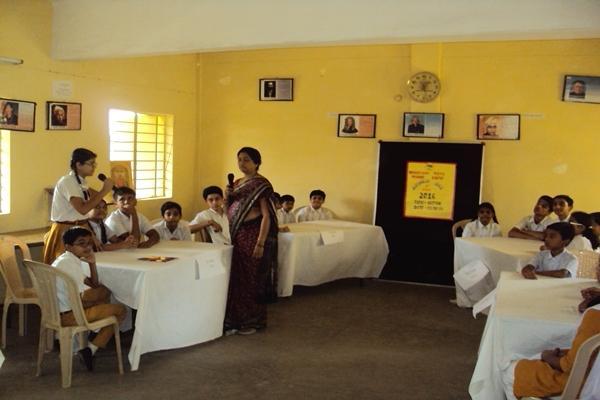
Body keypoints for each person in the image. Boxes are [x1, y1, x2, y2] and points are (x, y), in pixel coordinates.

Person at [52, 227, 126, 371]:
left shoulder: (67, 259)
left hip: (61, 311)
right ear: (68, 246)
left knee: (104, 291)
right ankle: (91, 348)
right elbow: (83, 298)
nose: (87, 247)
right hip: (70, 315)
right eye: (81, 243)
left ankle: (93, 336)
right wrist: (98, 301)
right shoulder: (69, 264)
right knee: (120, 311)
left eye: (89, 243)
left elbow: (93, 284)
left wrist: (92, 263)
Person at [224, 147, 278, 335]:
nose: (242, 163)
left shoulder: (262, 185)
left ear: (257, 162)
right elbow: (228, 209)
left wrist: (260, 243)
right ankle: (235, 319)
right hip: (238, 234)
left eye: (246, 160)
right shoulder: (237, 183)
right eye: (239, 159)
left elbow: (267, 216)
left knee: (251, 278)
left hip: (254, 234)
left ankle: (252, 321)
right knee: (237, 278)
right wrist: (227, 195)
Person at [502, 304, 600, 400]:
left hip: (581, 384)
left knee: (509, 371)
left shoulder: (595, 315)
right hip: (590, 378)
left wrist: (547, 357)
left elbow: (570, 366)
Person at [43, 148, 115, 264]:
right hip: (66, 231)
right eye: (91, 163)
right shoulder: (68, 181)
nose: (94, 167)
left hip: (81, 228)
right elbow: (82, 209)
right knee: (67, 268)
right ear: (79, 165)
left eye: (94, 164)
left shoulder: (81, 182)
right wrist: (104, 190)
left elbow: (93, 204)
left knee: (85, 267)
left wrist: (92, 235)